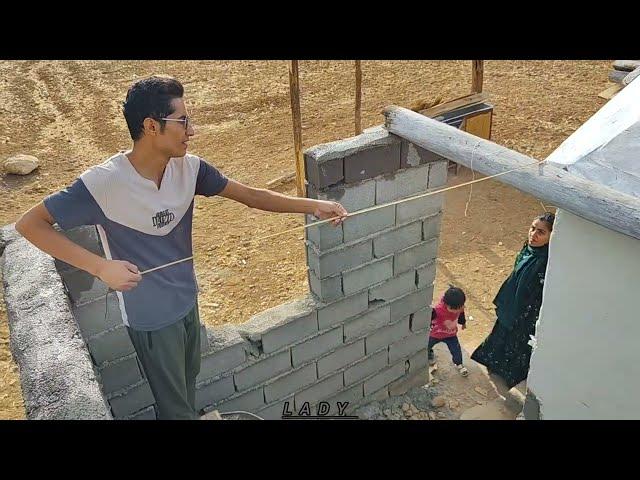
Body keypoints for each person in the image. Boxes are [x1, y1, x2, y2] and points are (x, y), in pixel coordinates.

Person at [14, 75, 348, 420]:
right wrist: (100, 267)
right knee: (175, 409)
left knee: (186, 387)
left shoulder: (189, 169)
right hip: (151, 321)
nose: (192, 130)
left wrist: (312, 206)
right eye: (183, 121)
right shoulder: (104, 183)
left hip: (187, 303)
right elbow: (30, 224)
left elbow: (251, 196)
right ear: (151, 126)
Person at [471, 212, 555, 401]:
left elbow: (538, 295)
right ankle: (494, 367)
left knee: (515, 345)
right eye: (533, 228)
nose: (533, 234)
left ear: (551, 236)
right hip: (511, 305)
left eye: (541, 232)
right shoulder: (528, 249)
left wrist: (524, 316)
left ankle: (508, 376)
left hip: (525, 314)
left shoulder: (546, 263)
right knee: (500, 335)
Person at [428, 286, 469, 377]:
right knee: (426, 346)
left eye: (460, 307)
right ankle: (428, 353)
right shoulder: (437, 310)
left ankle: (459, 364)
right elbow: (428, 319)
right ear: (446, 305)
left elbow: (461, 314)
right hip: (435, 334)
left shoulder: (459, 307)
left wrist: (463, 323)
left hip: (451, 334)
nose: (457, 311)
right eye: (455, 309)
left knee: (456, 350)